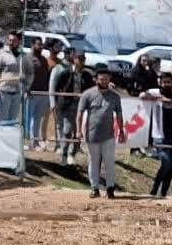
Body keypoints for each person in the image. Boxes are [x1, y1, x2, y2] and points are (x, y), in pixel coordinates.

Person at [76, 67, 125, 199]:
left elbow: (119, 115)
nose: (104, 81)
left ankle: (110, 188)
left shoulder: (114, 97)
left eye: (106, 79)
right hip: (92, 135)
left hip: (109, 135)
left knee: (109, 162)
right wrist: (78, 131)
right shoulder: (88, 94)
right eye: (101, 79)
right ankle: (94, 188)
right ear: (96, 79)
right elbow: (79, 113)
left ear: (110, 80)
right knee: (93, 161)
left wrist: (121, 130)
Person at [142, 72, 172, 198]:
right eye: (164, 82)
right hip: (160, 134)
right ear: (160, 82)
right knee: (166, 163)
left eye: (169, 82)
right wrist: (156, 98)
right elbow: (141, 95)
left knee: (170, 166)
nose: (166, 84)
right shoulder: (155, 92)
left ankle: (164, 192)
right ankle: (154, 189)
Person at [54, 52, 93, 166]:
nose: (80, 61)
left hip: (81, 106)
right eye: (78, 59)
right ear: (74, 59)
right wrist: (58, 101)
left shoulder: (87, 75)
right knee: (67, 130)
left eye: (82, 59)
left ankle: (72, 154)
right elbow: (57, 87)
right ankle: (64, 154)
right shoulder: (66, 72)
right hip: (68, 105)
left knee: (78, 132)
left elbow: (91, 89)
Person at [0, 31, 25, 123]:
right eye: (10, 40)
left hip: (17, 92)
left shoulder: (23, 55)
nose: (11, 42)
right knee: (2, 120)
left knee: (13, 121)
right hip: (4, 91)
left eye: (14, 40)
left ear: (19, 41)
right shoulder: (1, 53)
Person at [26, 37, 50, 149]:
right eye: (38, 44)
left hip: (43, 93)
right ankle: (27, 141)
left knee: (37, 119)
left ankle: (35, 141)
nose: (40, 47)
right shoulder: (27, 58)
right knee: (27, 118)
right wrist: (26, 89)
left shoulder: (44, 60)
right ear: (32, 45)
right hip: (31, 93)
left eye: (42, 45)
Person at [49, 46, 74, 151]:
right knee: (59, 124)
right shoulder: (58, 68)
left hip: (71, 101)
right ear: (67, 54)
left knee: (69, 124)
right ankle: (59, 144)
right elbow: (52, 85)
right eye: (73, 54)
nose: (74, 56)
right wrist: (52, 102)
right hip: (59, 100)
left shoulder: (73, 68)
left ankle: (66, 145)